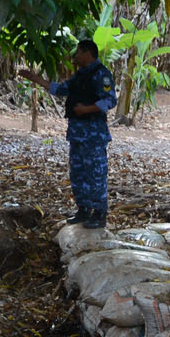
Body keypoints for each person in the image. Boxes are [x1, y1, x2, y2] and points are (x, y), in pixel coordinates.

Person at [18, 39, 117, 229]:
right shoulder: (80, 75)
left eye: (78, 52)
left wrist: (86, 109)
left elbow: (110, 100)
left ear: (88, 53)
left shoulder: (101, 75)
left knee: (95, 173)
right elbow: (61, 89)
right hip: (77, 133)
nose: (75, 56)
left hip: (93, 134)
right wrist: (34, 78)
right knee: (78, 172)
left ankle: (99, 213)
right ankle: (83, 209)